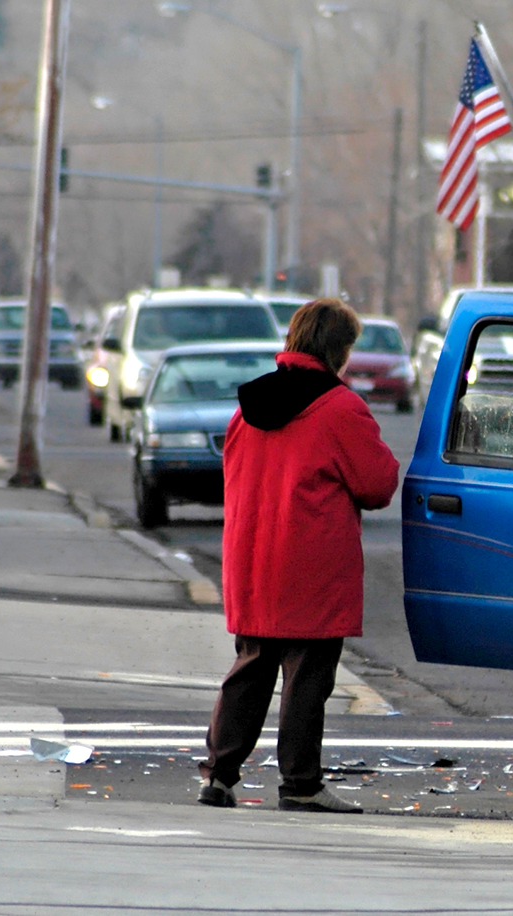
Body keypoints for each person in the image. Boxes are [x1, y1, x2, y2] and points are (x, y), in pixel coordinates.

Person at [198, 298, 400, 813]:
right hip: (311, 561)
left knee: (251, 668)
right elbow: (377, 485)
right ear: (340, 351)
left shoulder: (247, 408)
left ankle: (219, 776)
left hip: (253, 557)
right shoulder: (339, 409)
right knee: (307, 677)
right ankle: (301, 784)